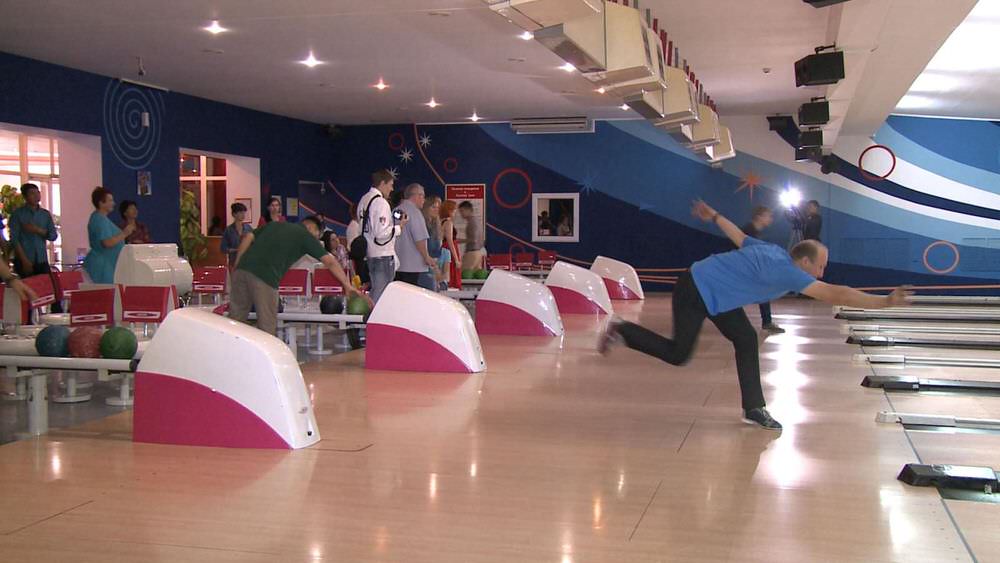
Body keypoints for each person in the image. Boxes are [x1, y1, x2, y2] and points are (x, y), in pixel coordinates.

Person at [599, 199, 911, 431]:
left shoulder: (775, 251)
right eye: (820, 266)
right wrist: (884, 302)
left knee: (747, 339)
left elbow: (738, 235)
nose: (822, 272)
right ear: (804, 262)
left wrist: (715, 215)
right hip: (695, 289)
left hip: (717, 293)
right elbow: (837, 294)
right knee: (678, 354)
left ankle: (754, 408)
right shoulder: (789, 272)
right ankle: (623, 329)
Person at [231, 216, 364, 336]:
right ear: (311, 228)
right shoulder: (305, 235)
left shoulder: (274, 224)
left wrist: (238, 264)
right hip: (265, 278)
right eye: (317, 235)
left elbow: (248, 237)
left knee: (235, 322)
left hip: (241, 272)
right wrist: (347, 285)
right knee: (267, 327)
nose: (316, 239)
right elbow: (330, 262)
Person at [356, 169, 402, 304]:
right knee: (381, 295)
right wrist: (399, 228)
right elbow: (380, 233)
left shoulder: (364, 200)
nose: (392, 189)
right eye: (390, 185)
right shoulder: (381, 203)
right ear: (382, 183)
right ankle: (372, 316)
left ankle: (370, 314)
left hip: (370, 253)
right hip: (382, 255)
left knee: (376, 291)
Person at [740, 206, 783, 334]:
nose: (770, 219)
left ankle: (767, 322)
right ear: (759, 217)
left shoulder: (755, 231)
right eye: (768, 216)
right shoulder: (749, 230)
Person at [394, 183, 440, 289]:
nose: (424, 199)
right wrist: (426, 257)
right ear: (416, 196)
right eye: (422, 196)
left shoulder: (395, 211)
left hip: (397, 265)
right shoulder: (415, 213)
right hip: (413, 267)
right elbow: (419, 238)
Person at [83, 187, 133, 284]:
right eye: (110, 200)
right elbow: (107, 242)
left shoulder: (100, 218)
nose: (113, 203)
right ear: (101, 203)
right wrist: (125, 233)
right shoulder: (100, 220)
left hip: (107, 265)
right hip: (102, 268)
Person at [10, 183, 58, 279]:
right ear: (25, 197)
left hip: (42, 259)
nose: (36, 195)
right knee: (26, 286)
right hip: (24, 259)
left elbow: (53, 236)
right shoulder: (18, 214)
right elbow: (14, 240)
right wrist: (24, 261)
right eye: (32, 193)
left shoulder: (45, 214)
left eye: (38, 192)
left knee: (46, 285)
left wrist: (38, 230)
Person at [420, 195, 445, 291]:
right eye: (433, 207)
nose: (436, 210)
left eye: (438, 208)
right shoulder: (423, 225)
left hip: (433, 265)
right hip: (424, 267)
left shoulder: (436, 226)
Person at [220, 202, 253, 269]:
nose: (243, 215)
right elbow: (223, 248)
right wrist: (236, 250)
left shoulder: (248, 228)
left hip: (246, 262)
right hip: (233, 262)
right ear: (234, 214)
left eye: (244, 212)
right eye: (240, 212)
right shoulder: (228, 230)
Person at [440, 200, 461, 289]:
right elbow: (450, 241)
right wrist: (456, 259)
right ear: (449, 210)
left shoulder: (441, 221)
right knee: (452, 272)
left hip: (446, 248)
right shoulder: (448, 222)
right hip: (450, 249)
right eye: (454, 210)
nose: (455, 212)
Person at [458, 200, 483, 271]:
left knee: (464, 274)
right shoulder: (476, 221)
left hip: (472, 253)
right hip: (478, 252)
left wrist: (458, 241)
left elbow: (473, 239)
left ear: (469, 210)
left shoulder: (472, 222)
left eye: (462, 211)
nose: (461, 214)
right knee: (475, 275)